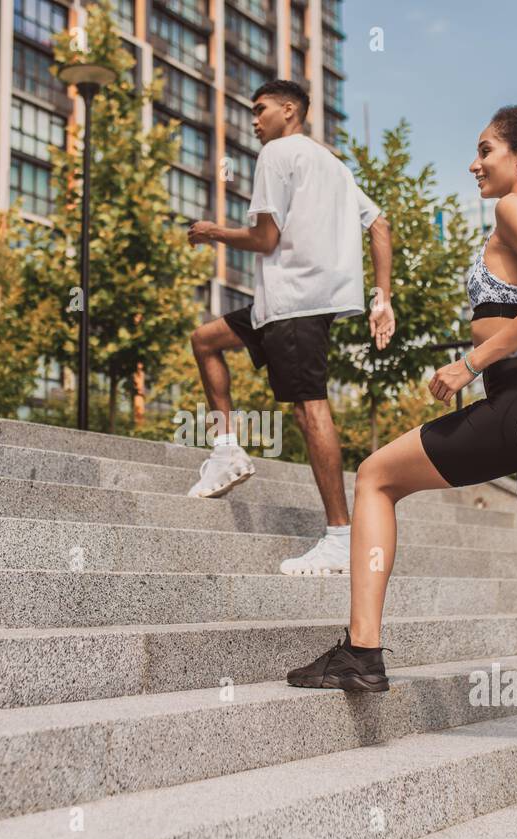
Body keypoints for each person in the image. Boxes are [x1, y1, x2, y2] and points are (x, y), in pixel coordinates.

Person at [286, 102, 517, 834]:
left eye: (485, 149)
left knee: (377, 476)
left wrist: (472, 362)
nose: (475, 163)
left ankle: (361, 650)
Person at [185, 79, 395, 575]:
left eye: (260, 111)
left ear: (289, 111)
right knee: (205, 340)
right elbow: (380, 224)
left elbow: (265, 238)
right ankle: (226, 448)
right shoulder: (335, 167)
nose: (254, 121)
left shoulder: (277, 154)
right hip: (281, 305)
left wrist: (212, 232)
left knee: (308, 408)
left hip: (296, 303)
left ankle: (341, 536)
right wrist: (381, 297)